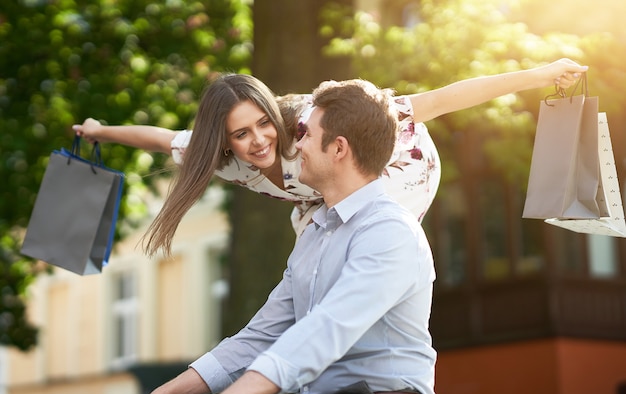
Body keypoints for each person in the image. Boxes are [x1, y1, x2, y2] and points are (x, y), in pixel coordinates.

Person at [134, 78, 437, 394]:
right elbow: (257, 338)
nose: (297, 144)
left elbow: (326, 329)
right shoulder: (314, 235)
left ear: (338, 149)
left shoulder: (388, 231)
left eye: (307, 134)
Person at [72, 59, 588, 257]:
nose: (257, 142)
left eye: (262, 125)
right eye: (240, 135)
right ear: (223, 141)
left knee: (346, 239)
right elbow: (160, 138)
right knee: (311, 247)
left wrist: (540, 75)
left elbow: (441, 99)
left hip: (398, 168)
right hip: (325, 195)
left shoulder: (314, 122)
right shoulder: (222, 157)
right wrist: (100, 131)